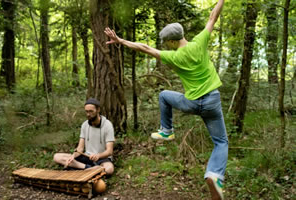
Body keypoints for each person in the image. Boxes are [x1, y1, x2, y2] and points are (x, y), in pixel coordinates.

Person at [104, 0, 227, 199]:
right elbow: (213, 16)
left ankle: (167, 131)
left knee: (164, 95)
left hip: (192, 103)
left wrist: (121, 41)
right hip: (212, 101)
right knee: (221, 142)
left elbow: (144, 48)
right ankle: (214, 175)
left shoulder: (173, 57)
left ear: (171, 42)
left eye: (166, 43)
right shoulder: (200, 41)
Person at [53, 98, 115, 175]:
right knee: (57, 157)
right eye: (86, 112)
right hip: (87, 157)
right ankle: (89, 168)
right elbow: (80, 148)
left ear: (98, 110)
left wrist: (98, 155)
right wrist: (73, 156)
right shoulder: (85, 125)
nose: (88, 114)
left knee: (109, 169)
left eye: (91, 111)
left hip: (102, 158)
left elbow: (109, 151)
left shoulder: (107, 125)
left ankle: (83, 169)